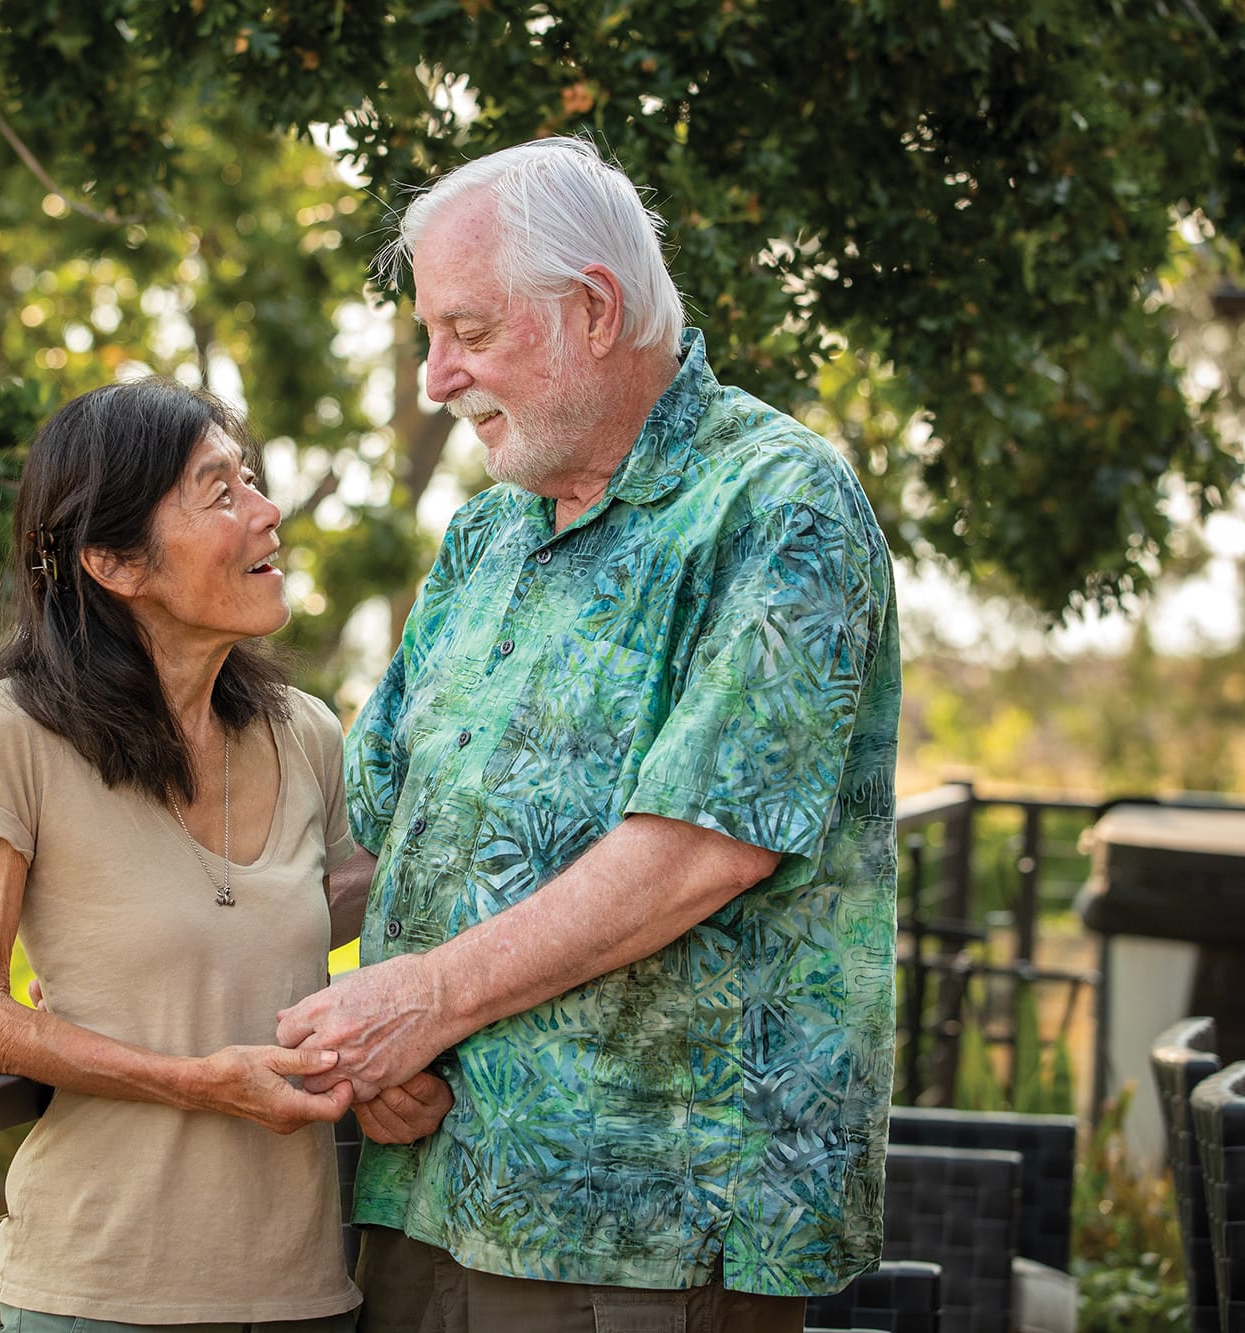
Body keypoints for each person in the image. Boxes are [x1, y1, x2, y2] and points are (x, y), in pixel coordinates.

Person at [276, 136, 903, 1332]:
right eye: (426, 338)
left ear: (594, 311)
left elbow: (700, 846)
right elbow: (376, 838)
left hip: (639, 1231)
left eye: (465, 330)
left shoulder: (776, 505)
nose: (432, 377)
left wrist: (424, 999)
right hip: (421, 1190)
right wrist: (169, 960)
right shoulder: (485, 538)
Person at [0, 378, 452, 1333]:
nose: (267, 511)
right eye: (220, 492)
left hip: (307, 1294)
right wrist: (196, 1080)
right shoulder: (10, 732)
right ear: (115, 562)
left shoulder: (305, 734)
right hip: (97, 1293)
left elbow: (343, 913)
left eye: (249, 479)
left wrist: (388, 1053)